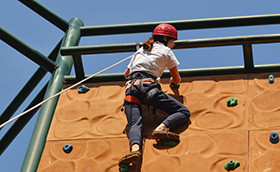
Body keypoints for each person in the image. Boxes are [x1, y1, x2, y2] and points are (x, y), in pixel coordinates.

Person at [119, 24, 191, 166]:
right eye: (173, 41)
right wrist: (174, 82)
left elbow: (126, 74)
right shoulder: (166, 51)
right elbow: (176, 78)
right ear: (165, 38)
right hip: (149, 88)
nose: (174, 44)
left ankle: (135, 149)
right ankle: (161, 128)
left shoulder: (141, 50)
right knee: (184, 111)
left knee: (134, 122)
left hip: (131, 89)